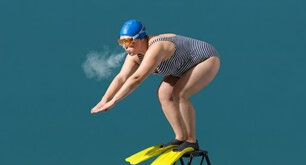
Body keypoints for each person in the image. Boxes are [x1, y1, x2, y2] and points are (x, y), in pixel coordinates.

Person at [91, 19, 220, 152]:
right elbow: (121, 77)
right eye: (121, 42)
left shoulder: (156, 47)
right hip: (183, 66)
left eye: (128, 42)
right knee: (163, 94)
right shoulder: (134, 55)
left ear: (141, 38)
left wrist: (114, 101)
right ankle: (180, 138)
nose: (125, 47)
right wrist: (104, 100)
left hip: (206, 59)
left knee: (180, 94)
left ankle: (191, 141)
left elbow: (137, 78)